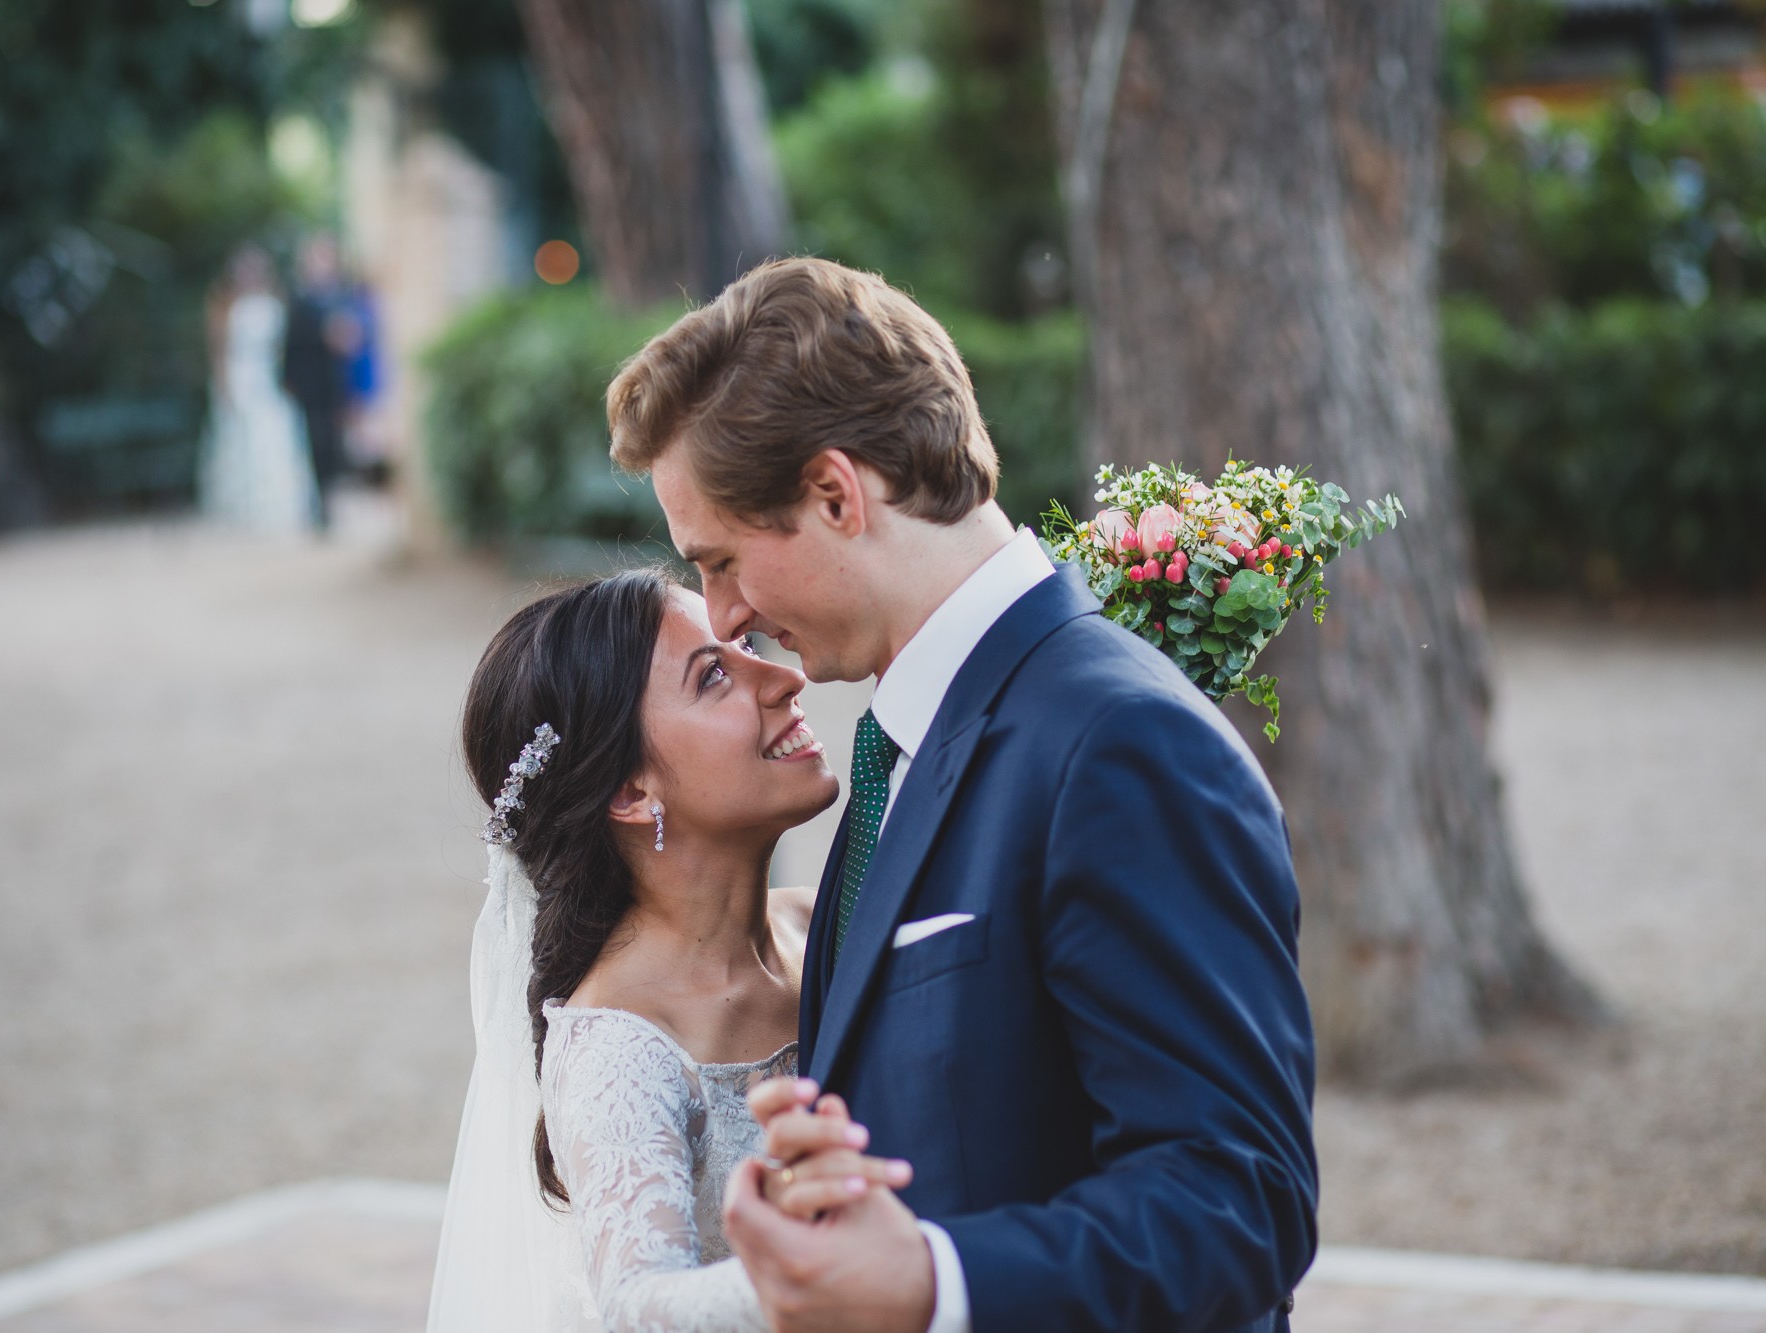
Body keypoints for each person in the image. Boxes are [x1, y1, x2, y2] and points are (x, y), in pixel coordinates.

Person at [603, 256, 1320, 1332]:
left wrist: (935, 1279)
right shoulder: (894, 751)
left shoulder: (1121, 743)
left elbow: (1239, 1202)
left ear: (836, 494)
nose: (724, 615)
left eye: (719, 561)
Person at [428, 570, 906, 1332]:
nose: (784, 676)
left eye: (745, 645)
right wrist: (801, 1272)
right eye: (715, 675)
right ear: (631, 791)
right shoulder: (620, 1045)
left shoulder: (827, 921)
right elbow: (639, 1303)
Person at [197, 246, 315, 534]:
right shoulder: (225, 306)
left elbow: (282, 349)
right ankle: (241, 503)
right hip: (241, 375)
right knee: (239, 439)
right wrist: (225, 382)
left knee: (273, 438)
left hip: (268, 379)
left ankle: (277, 504)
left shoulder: (276, 304)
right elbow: (220, 349)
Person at [279, 234, 353, 532]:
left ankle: (329, 499)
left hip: (333, 381)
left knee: (333, 443)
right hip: (308, 382)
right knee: (314, 441)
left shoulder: (339, 296)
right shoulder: (298, 297)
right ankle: (318, 503)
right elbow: (290, 343)